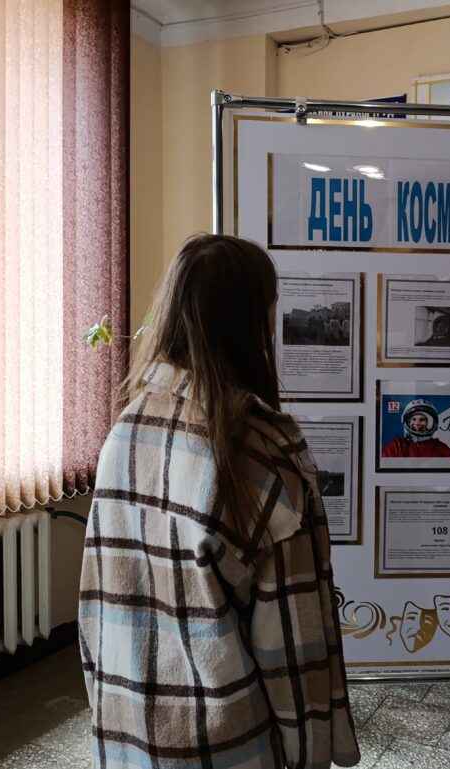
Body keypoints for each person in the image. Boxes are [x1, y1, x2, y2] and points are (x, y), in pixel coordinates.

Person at [78, 234, 360, 769]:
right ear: (250, 319)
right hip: (231, 744)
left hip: (128, 735)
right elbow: (290, 644)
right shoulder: (259, 452)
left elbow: (98, 598)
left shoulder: (126, 428)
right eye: (271, 306)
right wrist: (310, 755)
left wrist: (105, 706)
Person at [381, 399, 450, 458]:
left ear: (429, 423)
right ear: (407, 422)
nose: (417, 423)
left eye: (422, 419)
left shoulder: (441, 448)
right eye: (414, 419)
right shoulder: (397, 446)